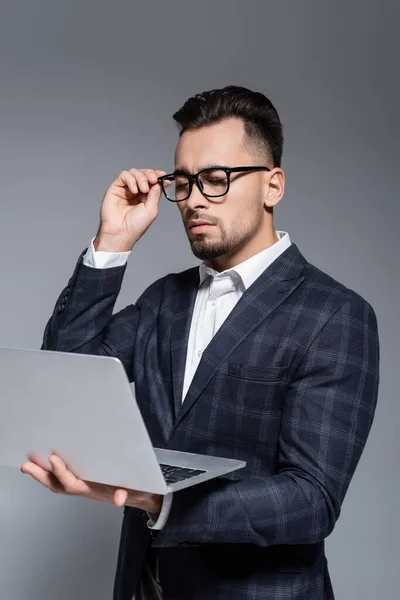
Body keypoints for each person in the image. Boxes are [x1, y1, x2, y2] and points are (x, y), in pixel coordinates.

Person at [21, 85, 380, 599]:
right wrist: (112, 243)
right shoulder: (164, 300)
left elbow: (312, 499)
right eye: (184, 183)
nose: (192, 200)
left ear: (272, 186)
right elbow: (63, 377)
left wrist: (161, 500)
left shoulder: (336, 316)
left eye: (216, 180)